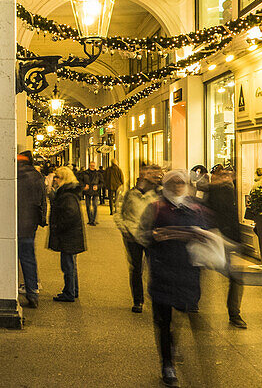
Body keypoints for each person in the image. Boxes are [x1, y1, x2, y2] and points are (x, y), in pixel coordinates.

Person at [138, 169, 212, 387]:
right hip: (162, 271)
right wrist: (153, 236)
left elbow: (207, 234)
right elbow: (142, 235)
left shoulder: (195, 207)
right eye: (174, 182)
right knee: (163, 320)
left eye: (182, 182)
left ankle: (171, 344)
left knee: (179, 317)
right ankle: (167, 364)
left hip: (186, 272)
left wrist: (202, 237)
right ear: (167, 184)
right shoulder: (156, 207)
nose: (179, 185)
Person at [201, 165, 246, 328]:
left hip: (230, 238)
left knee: (236, 277)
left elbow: (233, 217)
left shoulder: (234, 190)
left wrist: (239, 241)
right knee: (203, 272)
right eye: (223, 175)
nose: (227, 177)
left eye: (229, 175)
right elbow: (205, 212)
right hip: (214, 237)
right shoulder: (212, 191)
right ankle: (193, 303)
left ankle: (234, 313)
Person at [115, 162, 161, 313]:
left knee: (154, 268)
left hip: (150, 236)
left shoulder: (158, 193)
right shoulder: (128, 192)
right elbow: (118, 213)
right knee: (136, 269)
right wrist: (124, 229)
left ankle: (156, 298)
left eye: (148, 173)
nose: (146, 176)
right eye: (144, 173)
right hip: (132, 236)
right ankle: (138, 300)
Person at [47, 166, 86, 302]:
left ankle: (69, 292)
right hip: (71, 235)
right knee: (71, 264)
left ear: (62, 179)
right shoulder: (68, 193)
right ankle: (72, 290)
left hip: (68, 235)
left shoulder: (67, 195)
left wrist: (58, 226)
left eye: (57, 177)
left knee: (68, 265)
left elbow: (70, 214)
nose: (55, 179)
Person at [17, 150, 48, 309]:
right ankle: (32, 292)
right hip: (29, 225)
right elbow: (43, 201)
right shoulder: (37, 177)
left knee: (9, 259)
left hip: (13, 224)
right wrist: (41, 220)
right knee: (28, 259)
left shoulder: (13, 175)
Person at [80, 161, 104, 225]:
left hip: (95, 192)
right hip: (87, 191)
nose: (92, 167)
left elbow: (102, 183)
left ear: (95, 166)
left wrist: (98, 186)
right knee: (88, 206)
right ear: (89, 166)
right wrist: (84, 186)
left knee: (95, 205)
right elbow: (80, 181)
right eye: (91, 166)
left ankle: (93, 220)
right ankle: (90, 219)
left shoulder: (98, 174)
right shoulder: (85, 173)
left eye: (93, 166)